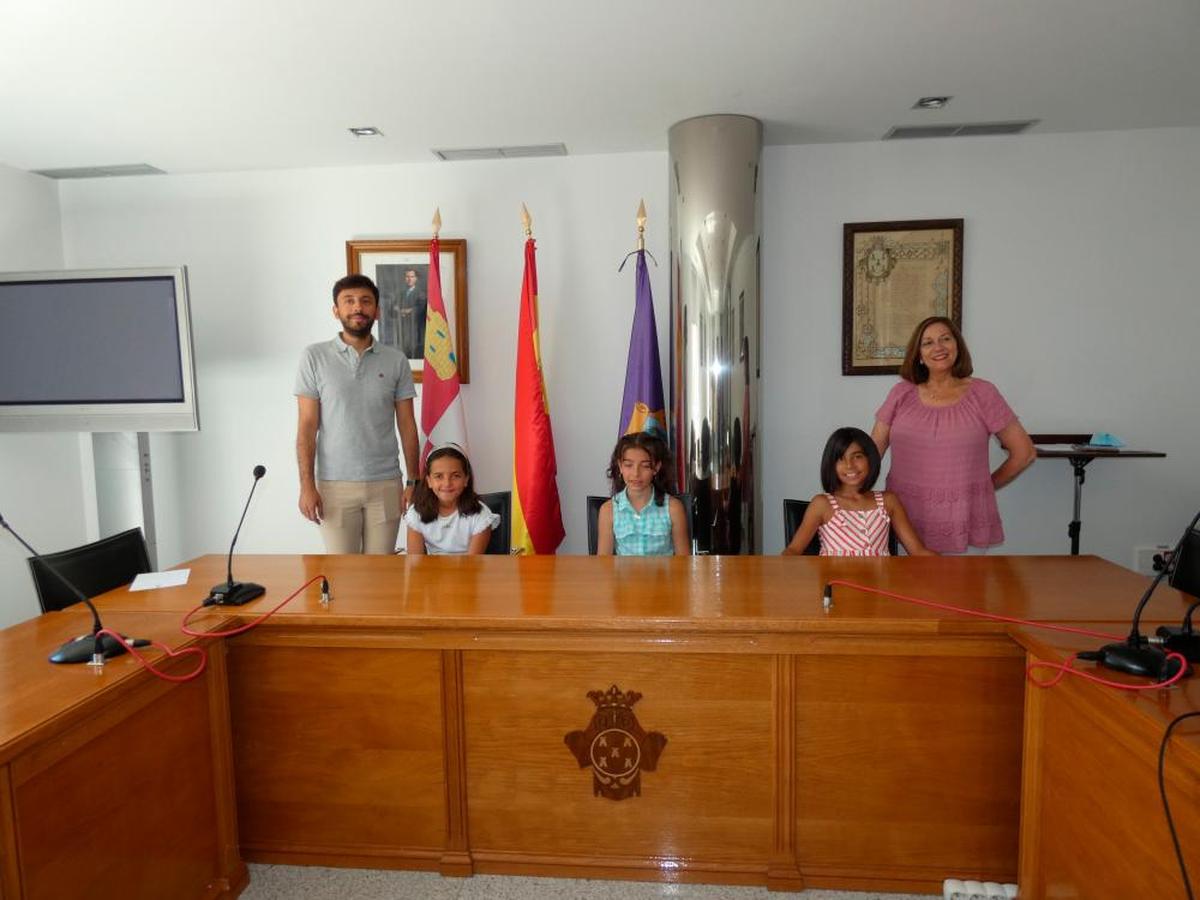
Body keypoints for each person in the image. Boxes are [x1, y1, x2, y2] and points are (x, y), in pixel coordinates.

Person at [870, 316, 1035, 554]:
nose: (938, 347)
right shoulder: (900, 393)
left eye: (945, 339)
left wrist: (984, 488)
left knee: (963, 591)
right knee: (906, 592)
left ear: (957, 346)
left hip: (963, 523)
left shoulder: (983, 393)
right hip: (905, 521)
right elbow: (873, 450)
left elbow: (1025, 453)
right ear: (918, 354)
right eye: (927, 342)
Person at [295, 274, 421, 554]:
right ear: (336, 310)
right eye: (349, 301)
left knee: (381, 575)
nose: (357, 308)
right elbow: (306, 426)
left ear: (377, 310)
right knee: (343, 576)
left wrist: (414, 481)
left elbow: (407, 425)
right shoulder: (314, 357)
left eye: (365, 301)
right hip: (333, 486)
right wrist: (307, 486)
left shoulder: (395, 359)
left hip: (386, 484)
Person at [783, 427, 933, 556]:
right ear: (831, 464)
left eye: (857, 457)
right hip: (837, 586)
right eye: (841, 459)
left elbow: (918, 552)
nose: (850, 465)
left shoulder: (889, 501)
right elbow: (794, 550)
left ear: (870, 459)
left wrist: (951, 567)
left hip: (880, 587)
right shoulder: (822, 504)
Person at [596, 432, 690, 556]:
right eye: (628, 465)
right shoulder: (608, 510)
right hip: (623, 575)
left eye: (645, 466)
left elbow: (684, 562)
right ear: (620, 466)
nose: (636, 473)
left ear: (656, 467)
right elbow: (603, 564)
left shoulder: (673, 508)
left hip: (663, 575)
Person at [404, 446, 499, 555]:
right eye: (439, 476)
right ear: (429, 481)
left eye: (455, 476)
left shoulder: (481, 516)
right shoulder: (416, 513)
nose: (447, 483)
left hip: (468, 570)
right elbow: (415, 563)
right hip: (431, 571)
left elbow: (472, 565)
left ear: (466, 480)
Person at [398, 268, 427, 359]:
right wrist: (399, 310)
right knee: (403, 347)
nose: (409, 279)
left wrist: (409, 311)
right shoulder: (401, 293)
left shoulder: (421, 293)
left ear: (416, 278)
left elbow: (421, 308)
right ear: (404, 278)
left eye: (412, 276)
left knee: (414, 347)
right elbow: (393, 306)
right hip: (403, 326)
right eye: (407, 277)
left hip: (415, 326)